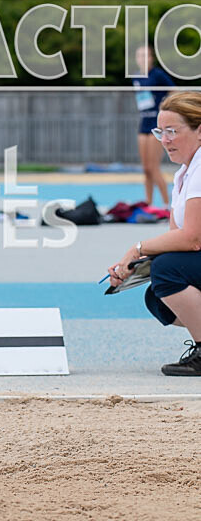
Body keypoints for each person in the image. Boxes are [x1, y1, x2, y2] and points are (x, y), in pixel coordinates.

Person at [108, 91, 201, 376]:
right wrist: (132, 267)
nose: (164, 140)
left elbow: (192, 239)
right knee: (156, 297)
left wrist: (137, 249)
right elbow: (177, 239)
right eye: (160, 131)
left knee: (166, 271)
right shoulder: (184, 173)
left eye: (173, 131)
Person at [132, 45, 174, 205]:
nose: (142, 59)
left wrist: (165, 108)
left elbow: (174, 92)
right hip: (144, 123)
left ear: (151, 58)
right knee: (146, 169)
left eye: (145, 55)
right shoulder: (136, 77)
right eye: (139, 55)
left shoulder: (158, 75)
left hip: (156, 124)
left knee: (154, 167)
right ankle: (148, 204)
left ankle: (166, 205)